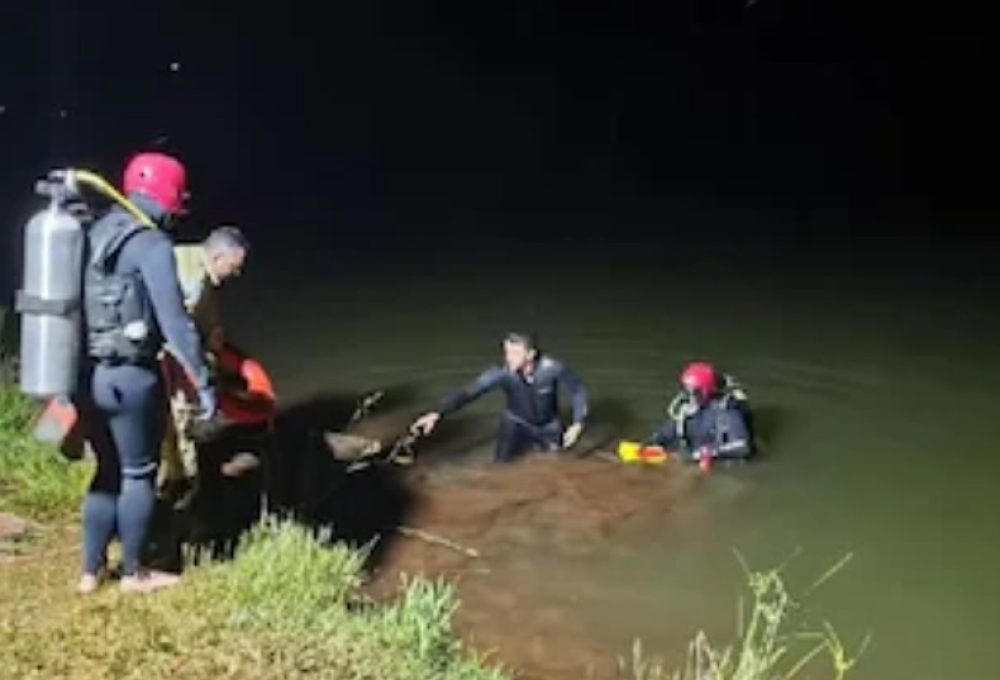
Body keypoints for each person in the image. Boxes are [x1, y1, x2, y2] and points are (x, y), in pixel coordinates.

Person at [77, 152, 214, 594]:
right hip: (132, 377)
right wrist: (204, 381)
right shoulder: (152, 245)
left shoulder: (92, 231)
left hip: (87, 375)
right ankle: (134, 572)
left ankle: (89, 572)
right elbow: (175, 324)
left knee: (107, 471)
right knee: (139, 472)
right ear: (170, 196)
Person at [160, 227, 253, 495]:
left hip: (174, 353)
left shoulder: (191, 259)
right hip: (169, 358)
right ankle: (183, 487)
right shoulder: (194, 278)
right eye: (234, 266)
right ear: (217, 257)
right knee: (179, 423)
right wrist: (201, 378)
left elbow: (205, 316)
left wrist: (214, 332)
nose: (236, 274)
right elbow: (179, 332)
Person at [412, 332, 588, 463]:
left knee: (553, 470)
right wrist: (438, 412)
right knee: (501, 471)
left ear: (531, 355)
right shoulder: (500, 373)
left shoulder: (553, 368)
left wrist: (577, 423)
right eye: (507, 352)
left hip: (548, 426)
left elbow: (577, 390)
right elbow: (469, 392)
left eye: (515, 353)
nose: (508, 358)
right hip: (515, 425)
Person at [646, 361, 754, 467]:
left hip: (716, 462)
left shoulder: (727, 411)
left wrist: (705, 454)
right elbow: (664, 434)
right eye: (687, 389)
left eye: (694, 391)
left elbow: (742, 447)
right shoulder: (686, 409)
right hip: (690, 457)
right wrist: (650, 444)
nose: (689, 395)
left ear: (705, 390)